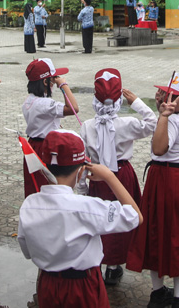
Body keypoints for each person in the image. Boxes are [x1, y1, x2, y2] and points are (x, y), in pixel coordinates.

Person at [18, 130, 141, 308]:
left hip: (47, 283)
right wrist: (109, 176)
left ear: (44, 165)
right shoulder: (87, 207)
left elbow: (27, 250)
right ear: (81, 170)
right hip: (83, 286)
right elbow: (135, 216)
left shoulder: (29, 204)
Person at [127, 72, 179, 308]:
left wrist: (163, 115)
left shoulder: (173, 120)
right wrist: (161, 111)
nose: (167, 98)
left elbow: (159, 148)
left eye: (174, 96)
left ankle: (162, 294)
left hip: (167, 179)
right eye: (166, 93)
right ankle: (178, 297)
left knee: (158, 233)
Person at [81, 68, 157, 285]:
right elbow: (152, 123)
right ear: (119, 100)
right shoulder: (128, 123)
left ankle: (97, 262)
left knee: (98, 216)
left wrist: (82, 189)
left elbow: (82, 161)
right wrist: (137, 103)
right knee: (122, 216)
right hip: (122, 176)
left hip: (96, 176)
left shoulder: (86, 126)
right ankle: (114, 267)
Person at [21, 58, 79, 197]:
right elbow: (74, 108)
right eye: (53, 79)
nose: (54, 82)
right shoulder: (45, 104)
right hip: (46, 148)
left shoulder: (29, 100)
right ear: (45, 82)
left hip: (33, 146)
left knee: (35, 186)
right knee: (50, 187)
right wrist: (63, 85)